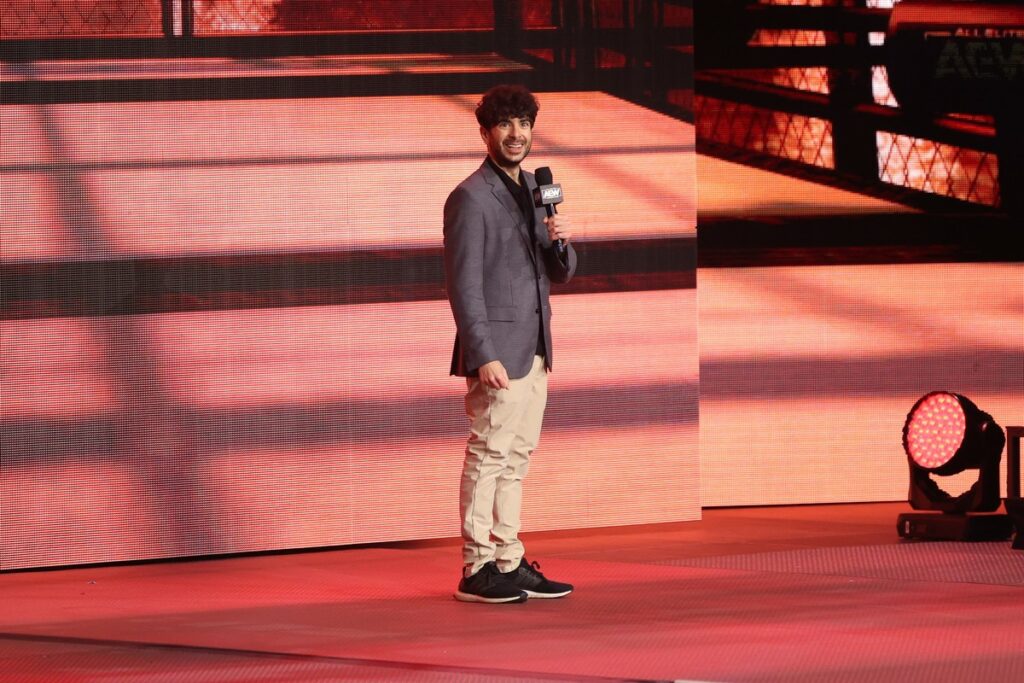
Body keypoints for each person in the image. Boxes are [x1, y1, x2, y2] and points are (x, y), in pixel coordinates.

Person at [443, 84, 578, 604]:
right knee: (489, 454)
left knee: (516, 457)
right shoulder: (470, 197)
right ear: (485, 133)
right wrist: (483, 354)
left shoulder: (534, 191)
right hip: (498, 352)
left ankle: (509, 558)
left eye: (524, 123)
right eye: (505, 124)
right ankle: (477, 567)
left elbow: (558, 272)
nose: (516, 133)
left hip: (536, 346)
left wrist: (561, 239)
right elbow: (464, 285)